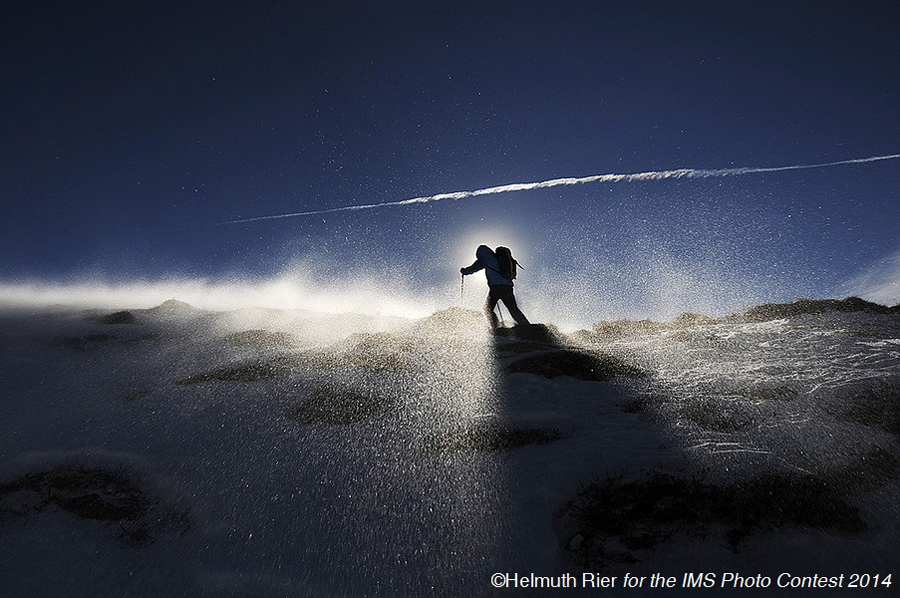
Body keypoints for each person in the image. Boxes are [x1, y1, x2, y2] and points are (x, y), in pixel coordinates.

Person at [460, 244, 530, 329]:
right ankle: (526, 326)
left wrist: (464, 271)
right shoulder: (496, 258)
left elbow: (473, 268)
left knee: (488, 309)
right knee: (513, 308)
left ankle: (495, 328)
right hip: (507, 287)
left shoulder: (485, 257)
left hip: (496, 288)